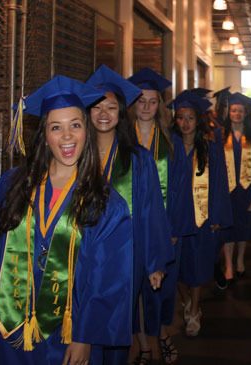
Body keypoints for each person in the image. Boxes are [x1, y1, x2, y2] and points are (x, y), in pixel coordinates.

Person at [0, 75, 135, 364]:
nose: (67, 136)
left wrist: (84, 336)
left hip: (67, 330)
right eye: (56, 127)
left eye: (75, 125)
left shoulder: (106, 202)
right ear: (44, 135)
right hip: (9, 326)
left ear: (87, 130)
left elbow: (107, 278)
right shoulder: (12, 185)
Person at [85, 65, 174, 365]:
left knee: (116, 328)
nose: (103, 113)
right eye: (96, 107)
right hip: (81, 255)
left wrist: (154, 262)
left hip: (127, 255)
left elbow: (151, 212)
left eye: (111, 107)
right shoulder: (74, 155)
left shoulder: (139, 159)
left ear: (122, 112)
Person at [128, 67, 191, 364]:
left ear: (160, 105)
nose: (146, 107)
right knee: (134, 290)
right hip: (128, 228)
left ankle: (163, 334)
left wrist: (174, 227)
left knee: (160, 289)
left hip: (163, 226)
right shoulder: (122, 139)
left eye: (152, 101)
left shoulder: (170, 140)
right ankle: (143, 345)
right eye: (141, 100)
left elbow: (180, 187)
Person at [170, 90, 232, 337]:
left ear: (198, 121)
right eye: (180, 118)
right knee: (174, 268)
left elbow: (219, 182)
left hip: (200, 217)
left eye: (190, 118)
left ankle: (194, 309)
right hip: (174, 216)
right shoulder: (169, 147)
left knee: (196, 268)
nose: (185, 123)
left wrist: (217, 216)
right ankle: (185, 301)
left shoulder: (208, 147)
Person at [218, 92, 251, 286]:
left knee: (244, 226)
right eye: (233, 110)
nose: (236, 113)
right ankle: (229, 263)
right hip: (226, 189)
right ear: (229, 112)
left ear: (245, 113)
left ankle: (240, 260)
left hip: (247, 189)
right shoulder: (220, 135)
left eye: (240, 111)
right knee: (228, 226)